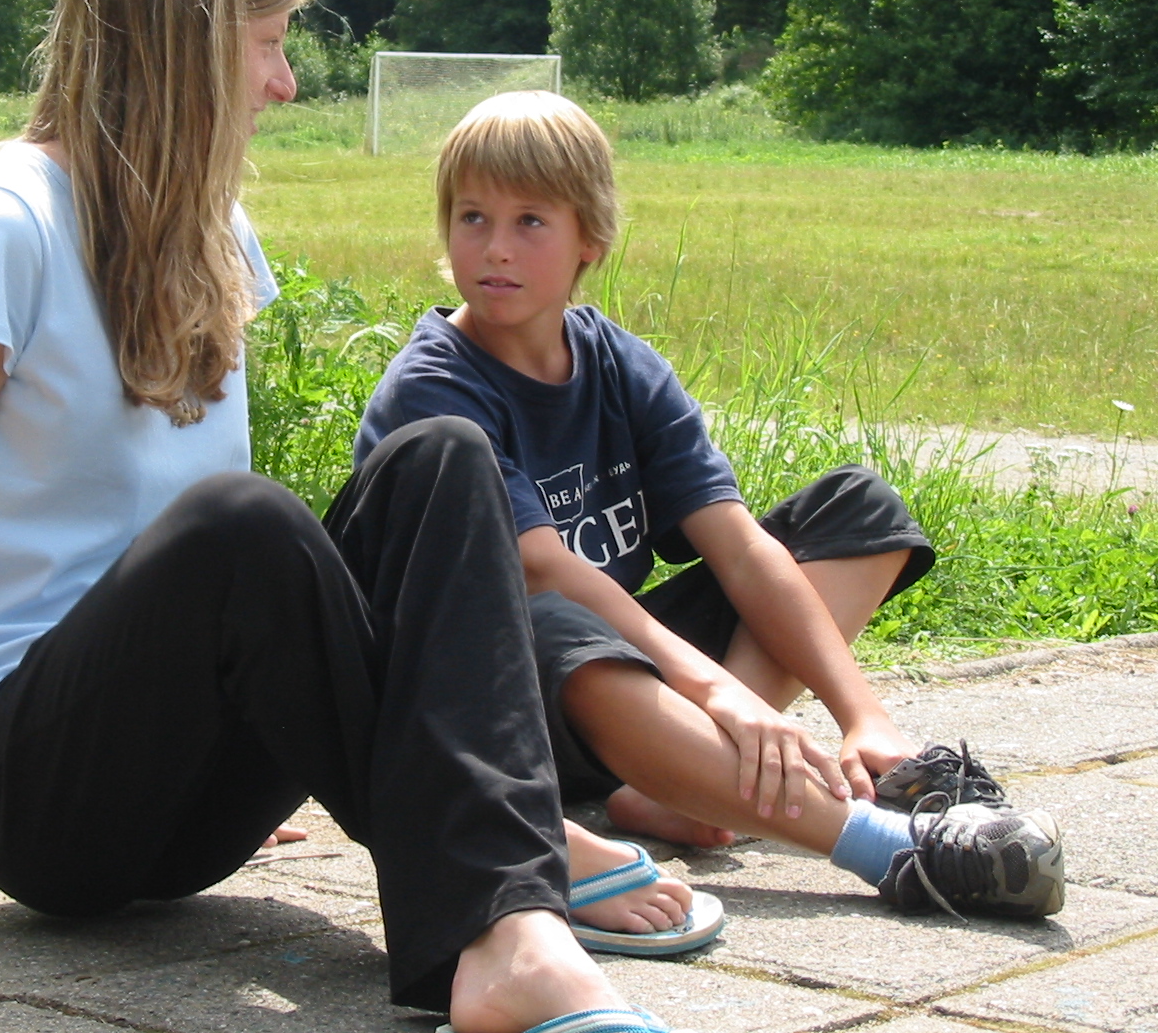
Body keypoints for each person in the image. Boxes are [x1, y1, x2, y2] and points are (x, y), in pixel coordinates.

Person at [0, 0, 714, 1033]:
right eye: (268, 43)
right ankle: (512, 906)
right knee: (244, 520)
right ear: (182, 45)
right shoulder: (0, 229)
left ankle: (508, 885)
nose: (286, 82)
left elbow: (195, 576)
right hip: (41, 800)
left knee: (443, 457)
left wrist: (271, 715)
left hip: (190, 805)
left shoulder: (213, 226)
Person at [356, 90, 1065, 921]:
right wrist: (717, 693)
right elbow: (541, 570)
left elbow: (737, 547)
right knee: (550, 616)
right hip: (502, 699)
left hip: (631, 673)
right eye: (472, 217)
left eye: (530, 221)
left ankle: (689, 782)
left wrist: (862, 716)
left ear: (591, 237)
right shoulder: (434, 384)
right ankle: (889, 848)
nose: (495, 248)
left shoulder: (617, 362)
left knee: (857, 509)